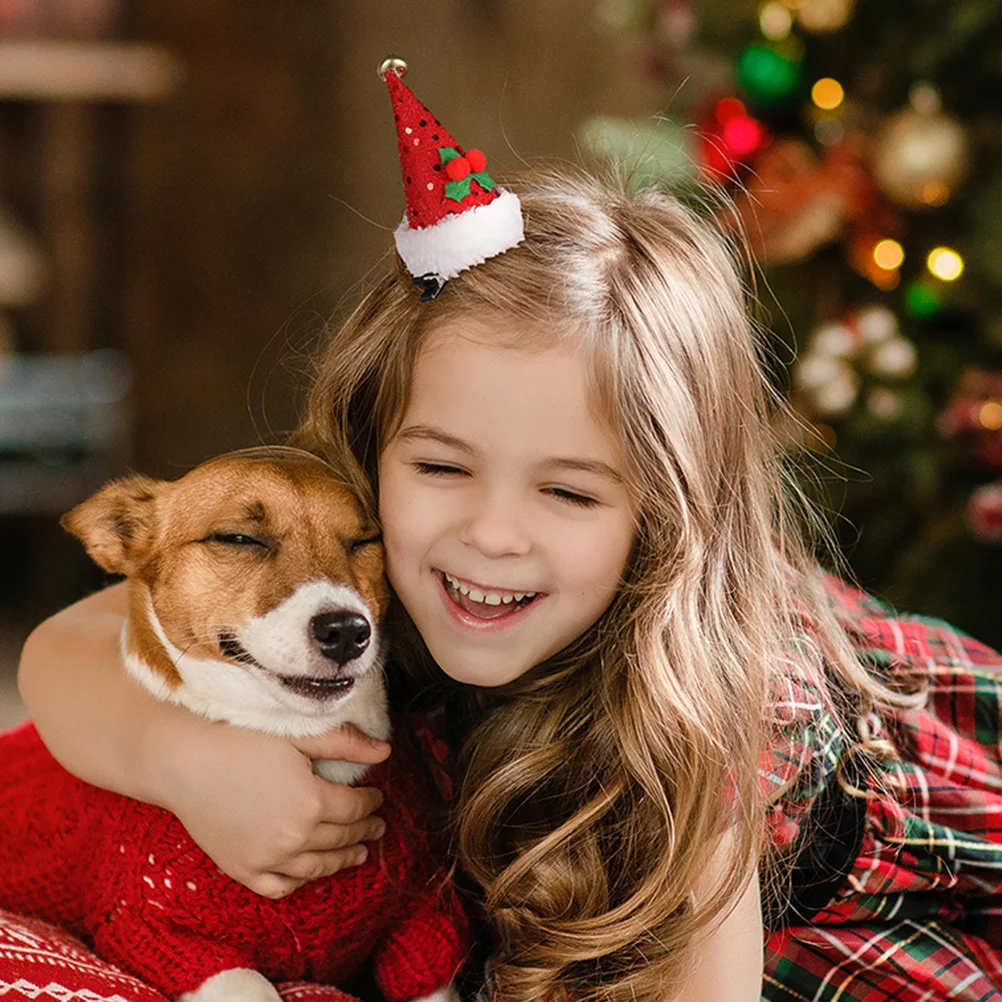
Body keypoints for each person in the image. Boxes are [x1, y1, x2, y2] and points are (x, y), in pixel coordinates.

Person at [15, 65, 1002, 1002]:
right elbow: (62, 651)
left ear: (663, 517)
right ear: (371, 446)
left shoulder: (716, 721)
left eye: (568, 494)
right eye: (440, 467)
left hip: (898, 911)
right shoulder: (352, 554)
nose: (489, 534)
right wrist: (179, 758)